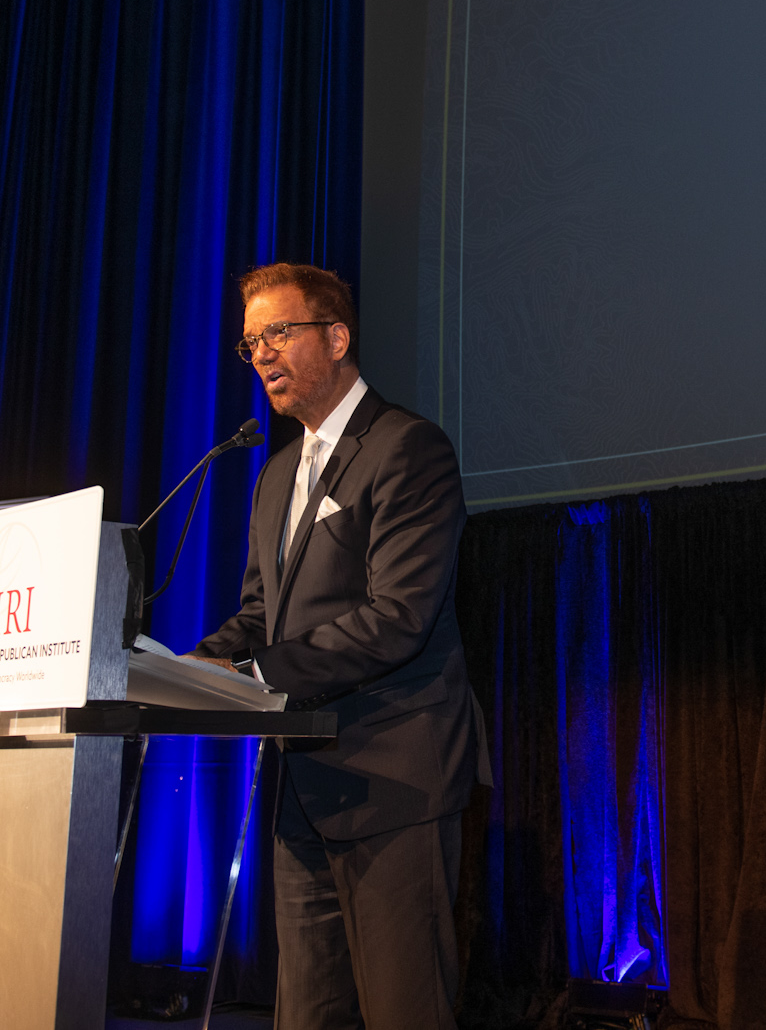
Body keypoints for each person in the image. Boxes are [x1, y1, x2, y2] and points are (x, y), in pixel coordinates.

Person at [188, 262, 478, 1030]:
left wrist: (253, 675)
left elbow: (397, 617)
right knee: (308, 1016)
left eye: (278, 332)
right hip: (302, 792)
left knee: (402, 1012)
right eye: (251, 342)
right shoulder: (276, 473)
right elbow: (262, 612)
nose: (261, 355)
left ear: (338, 337)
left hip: (394, 782)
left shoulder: (409, 449)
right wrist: (188, 669)